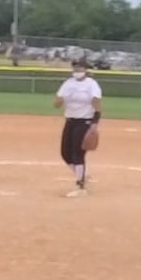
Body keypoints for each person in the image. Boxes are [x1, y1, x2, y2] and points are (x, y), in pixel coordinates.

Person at [54, 58, 102, 198]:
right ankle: (83, 175)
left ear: (86, 70)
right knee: (65, 154)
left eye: (80, 68)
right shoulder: (68, 83)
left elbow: (97, 103)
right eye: (75, 68)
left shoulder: (91, 84)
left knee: (77, 154)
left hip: (85, 121)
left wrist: (95, 123)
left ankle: (80, 187)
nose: (77, 70)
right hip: (70, 121)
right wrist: (62, 98)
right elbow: (56, 104)